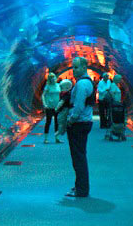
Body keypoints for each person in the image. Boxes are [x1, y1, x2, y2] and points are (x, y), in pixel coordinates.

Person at [64, 56, 95, 198]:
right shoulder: (85, 82)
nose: (74, 69)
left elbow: (78, 106)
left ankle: (82, 189)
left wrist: (70, 120)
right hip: (84, 122)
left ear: (84, 67)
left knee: (78, 157)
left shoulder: (82, 84)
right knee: (79, 156)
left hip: (79, 123)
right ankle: (80, 186)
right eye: (73, 67)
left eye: (76, 67)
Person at [41, 70, 62, 144]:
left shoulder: (58, 85)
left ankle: (57, 138)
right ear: (50, 79)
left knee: (57, 122)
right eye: (52, 78)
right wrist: (45, 104)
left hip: (57, 106)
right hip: (49, 106)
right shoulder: (47, 86)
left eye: (54, 78)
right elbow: (43, 95)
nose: (53, 79)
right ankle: (46, 138)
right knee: (48, 122)